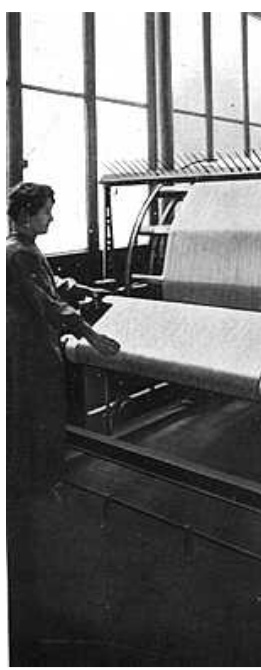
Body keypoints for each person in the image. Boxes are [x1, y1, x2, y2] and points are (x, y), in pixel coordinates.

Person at [6, 181, 120, 500]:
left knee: (32, 416)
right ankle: (38, 490)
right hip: (29, 350)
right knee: (39, 417)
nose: (51, 218)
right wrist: (92, 335)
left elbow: (50, 282)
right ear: (26, 214)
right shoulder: (18, 253)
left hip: (30, 347)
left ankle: (33, 486)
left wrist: (80, 288)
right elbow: (48, 303)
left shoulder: (20, 247)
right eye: (47, 212)